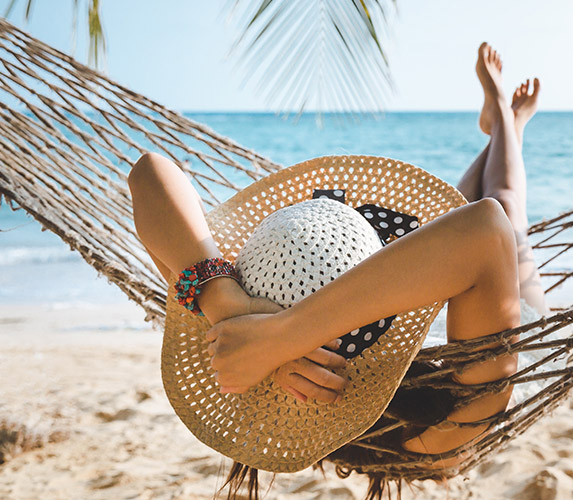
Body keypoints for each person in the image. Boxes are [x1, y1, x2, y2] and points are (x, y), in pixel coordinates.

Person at [128, 42, 545, 456]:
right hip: (489, 314)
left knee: (464, 210)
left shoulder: (228, 344)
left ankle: (504, 122)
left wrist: (230, 307)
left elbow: (148, 173)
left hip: (413, 280)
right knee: (507, 205)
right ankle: (508, 122)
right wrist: (278, 337)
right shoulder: (444, 423)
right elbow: (489, 228)